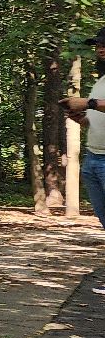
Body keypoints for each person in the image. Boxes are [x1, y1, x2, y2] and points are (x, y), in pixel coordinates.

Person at [62, 29, 105, 227]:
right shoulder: (101, 81)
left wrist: (89, 104)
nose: (100, 49)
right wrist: (82, 118)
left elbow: (95, 104)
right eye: (98, 45)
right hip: (92, 158)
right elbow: (96, 114)